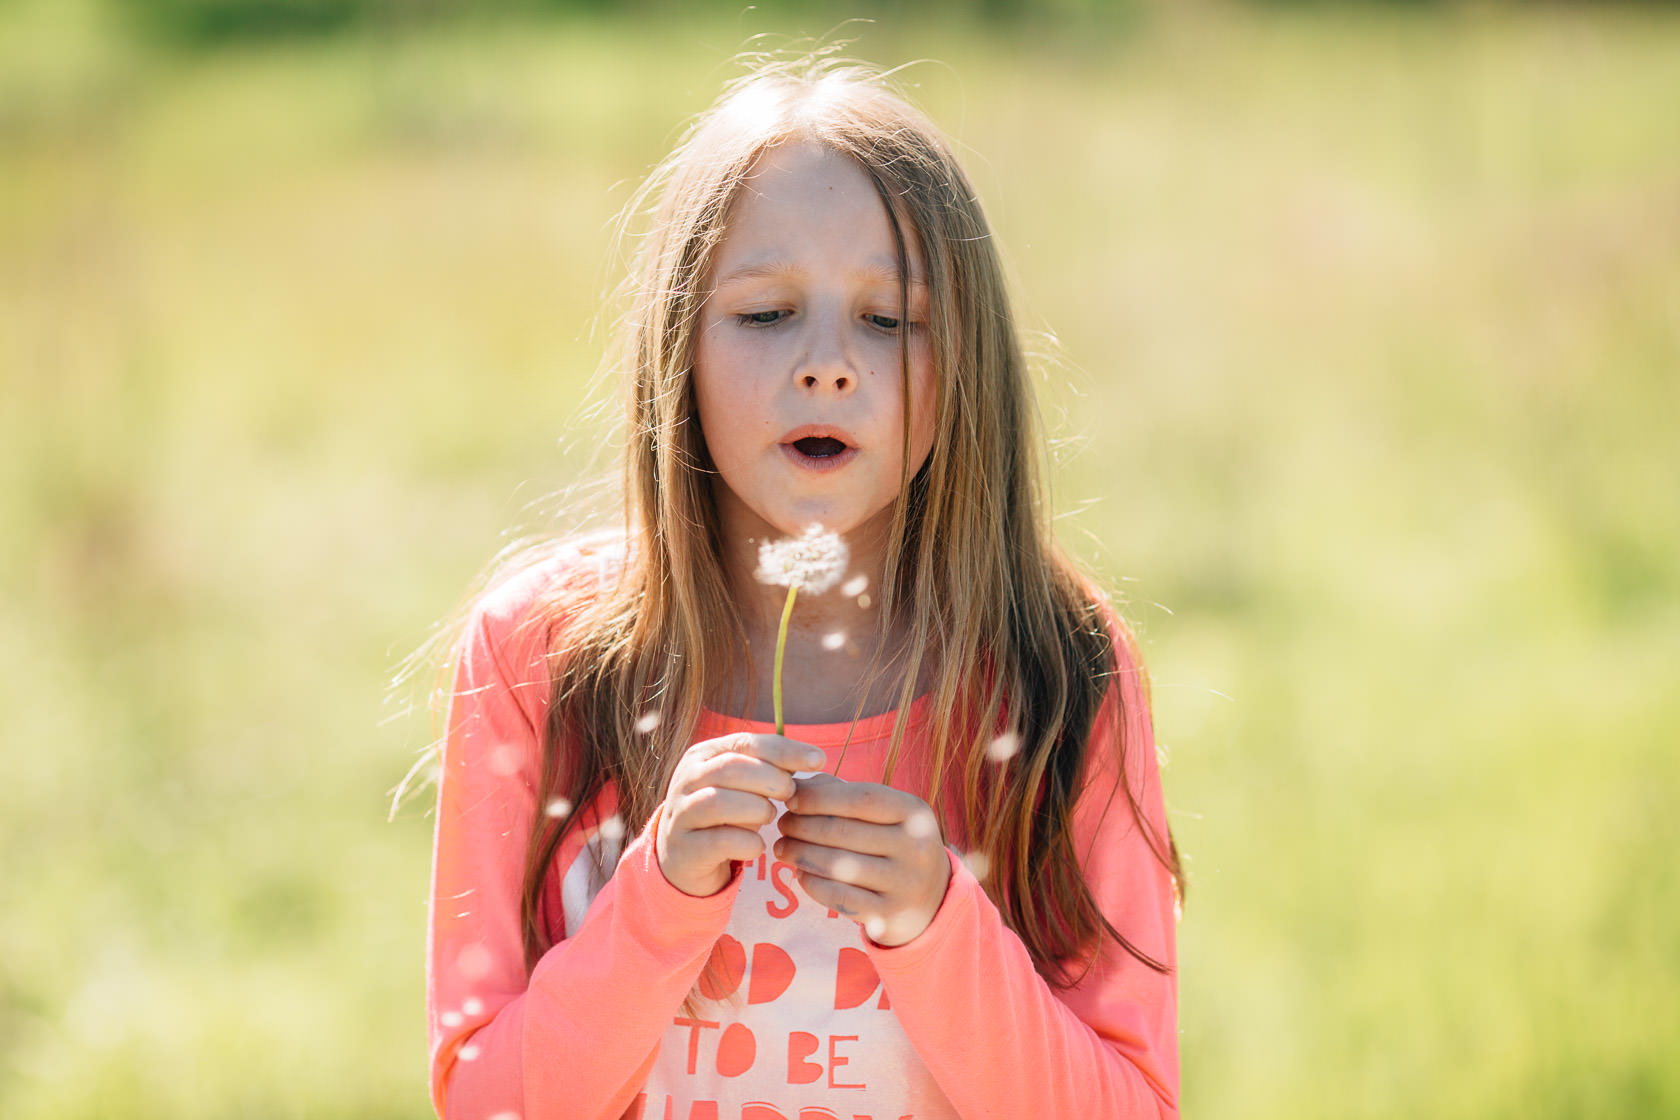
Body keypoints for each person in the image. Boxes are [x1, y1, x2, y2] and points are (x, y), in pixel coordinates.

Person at [426, 56, 1184, 1120]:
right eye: (768, 312)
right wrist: (653, 904)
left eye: (890, 321)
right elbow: (488, 1105)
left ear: (967, 360)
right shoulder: (537, 657)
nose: (828, 363)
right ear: (676, 347)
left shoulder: (1055, 670)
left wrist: (937, 927)